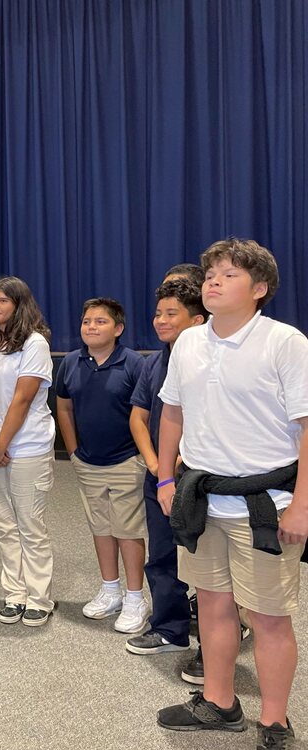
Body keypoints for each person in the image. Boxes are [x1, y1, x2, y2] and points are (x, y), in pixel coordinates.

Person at [155, 239, 308, 750]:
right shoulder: (191, 342)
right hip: (201, 499)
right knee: (214, 607)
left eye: (229, 274)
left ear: (260, 289)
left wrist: (304, 504)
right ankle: (220, 703)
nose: (213, 281)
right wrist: (165, 478)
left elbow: (307, 428)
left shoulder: (285, 342)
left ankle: (275, 721)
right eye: (211, 274)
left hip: (263, 504)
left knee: (267, 616)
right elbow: (172, 411)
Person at [55, 298, 148, 634]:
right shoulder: (70, 362)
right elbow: (64, 408)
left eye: (100, 322)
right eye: (86, 321)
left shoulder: (135, 364)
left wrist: (142, 457)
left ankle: (136, 597)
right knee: (101, 527)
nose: (91, 327)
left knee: (128, 530)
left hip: (126, 460)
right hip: (88, 462)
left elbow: (146, 415)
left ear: (118, 329)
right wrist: (74, 451)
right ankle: (111, 589)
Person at [0, 276, 56, 627]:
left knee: (30, 523)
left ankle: (39, 597)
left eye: (3, 300)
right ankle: (14, 593)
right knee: (4, 524)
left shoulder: (35, 343)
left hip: (27, 446)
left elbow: (23, 398)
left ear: (19, 305)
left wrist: (1, 445)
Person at [124, 279, 205, 656]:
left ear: (197, 320)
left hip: (197, 477)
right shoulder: (154, 363)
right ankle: (170, 629)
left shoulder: (207, 364)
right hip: (158, 475)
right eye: (158, 313)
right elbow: (138, 417)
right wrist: (157, 466)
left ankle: (220, 632)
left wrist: (174, 466)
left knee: (207, 562)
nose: (161, 320)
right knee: (160, 555)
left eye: (171, 314)